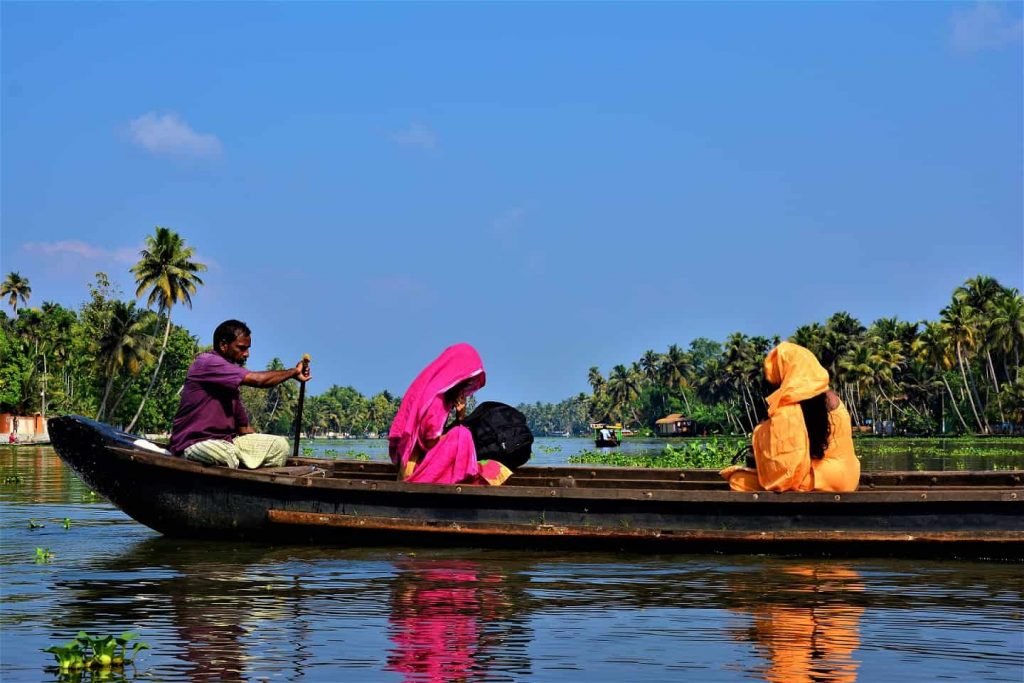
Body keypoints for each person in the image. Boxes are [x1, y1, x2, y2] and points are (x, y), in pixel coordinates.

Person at [169, 319, 312, 469]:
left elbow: (244, 429)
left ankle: (257, 484)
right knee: (225, 453)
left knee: (280, 446)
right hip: (193, 444)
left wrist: (259, 446)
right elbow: (259, 380)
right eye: (242, 348)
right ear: (224, 345)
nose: (247, 354)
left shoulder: (230, 385)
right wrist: (293, 372)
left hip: (227, 443)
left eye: (248, 348)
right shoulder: (207, 362)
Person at [719, 342, 860, 493]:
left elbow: (785, 466)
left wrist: (761, 432)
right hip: (849, 476)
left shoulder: (789, 408)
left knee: (738, 480)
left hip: (822, 478)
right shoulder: (831, 397)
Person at [388, 343, 511, 485]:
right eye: (466, 381)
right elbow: (430, 441)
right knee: (461, 435)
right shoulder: (436, 400)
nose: (467, 386)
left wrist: (460, 417)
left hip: (412, 462)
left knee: (461, 433)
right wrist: (460, 426)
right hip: (415, 469)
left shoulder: (430, 387)